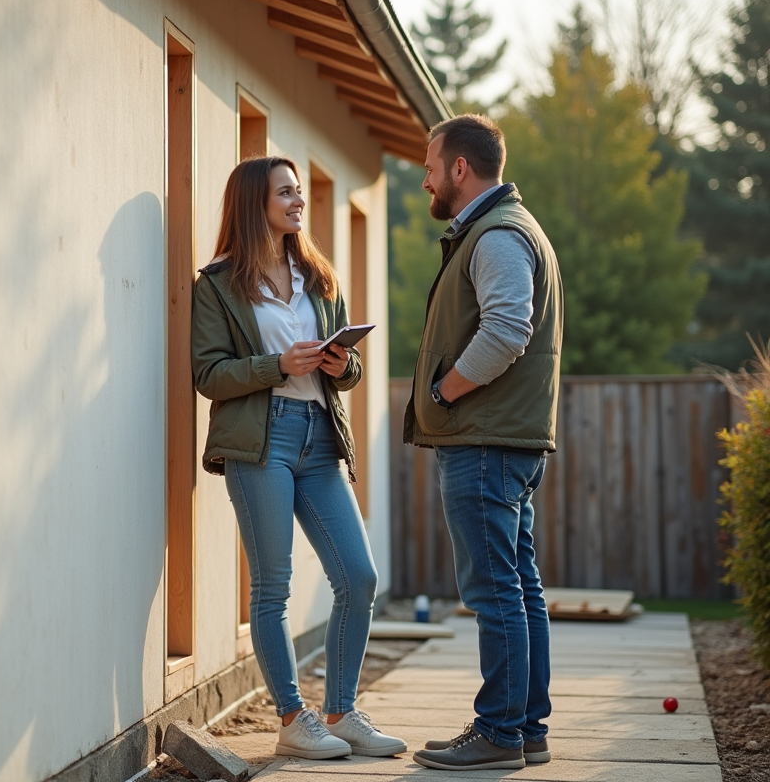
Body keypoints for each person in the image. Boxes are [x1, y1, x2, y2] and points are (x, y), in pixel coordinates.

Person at [191, 156, 406, 760]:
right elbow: (208, 374)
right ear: (254, 202)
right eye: (286, 192)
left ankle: (340, 711)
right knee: (273, 588)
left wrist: (344, 365)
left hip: (319, 437)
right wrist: (276, 366)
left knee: (358, 577)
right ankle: (292, 718)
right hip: (262, 440)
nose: (298, 202)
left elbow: (350, 371)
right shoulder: (218, 284)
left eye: (298, 192)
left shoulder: (317, 275)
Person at [404, 114, 563, 771]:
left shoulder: (497, 235)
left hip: (486, 441)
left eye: (430, 166)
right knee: (518, 588)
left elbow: (505, 329)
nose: (424, 180)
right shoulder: (506, 228)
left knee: (495, 591)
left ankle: (498, 732)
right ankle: (524, 731)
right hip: (505, 442)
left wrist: (443, 394)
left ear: (459, 169)